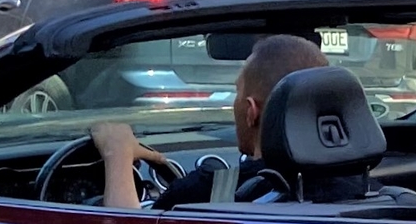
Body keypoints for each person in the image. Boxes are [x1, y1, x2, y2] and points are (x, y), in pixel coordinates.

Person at [88, 34, 328, 211]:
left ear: (251, 111)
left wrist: (117, 154)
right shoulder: (360, 185)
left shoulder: (209, 193)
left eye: (237, 93)